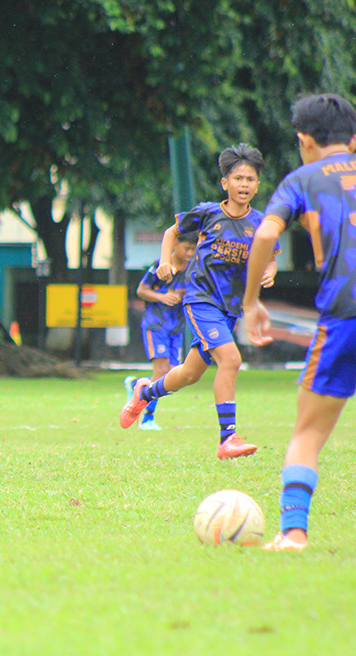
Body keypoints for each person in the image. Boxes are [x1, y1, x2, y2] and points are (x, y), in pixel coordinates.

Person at [242, 93, 356, 552]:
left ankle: (293, 532)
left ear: (304, 140)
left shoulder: (302, 179)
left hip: (344, 317)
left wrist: (252, 301)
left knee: (308, 432)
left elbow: (267, 233)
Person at [120, 143, 280, 459]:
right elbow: (171, 232)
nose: (244, 185)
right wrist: (165, 260)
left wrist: (270, 271)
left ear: (258, 185)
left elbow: (271, 255)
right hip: (201, 300)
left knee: (190, 374)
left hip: (229, 309)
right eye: (238, 178)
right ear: (225, 183)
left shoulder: (262, 223)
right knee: (231, 360)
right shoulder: (208, 213)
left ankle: (145, 392)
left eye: (250, 179)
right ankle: (228, 438)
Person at [124, 231, 198, 430]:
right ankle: (147, 418)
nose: (190, 252)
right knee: (162, 371)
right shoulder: (161, 266)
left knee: (173, 376)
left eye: (194, 248)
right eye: (187, 248)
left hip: (176, 328)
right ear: (175, 244)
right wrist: (162, 296)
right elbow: (141, 290)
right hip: (156, 325)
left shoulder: (193, 269)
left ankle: (137, 385)